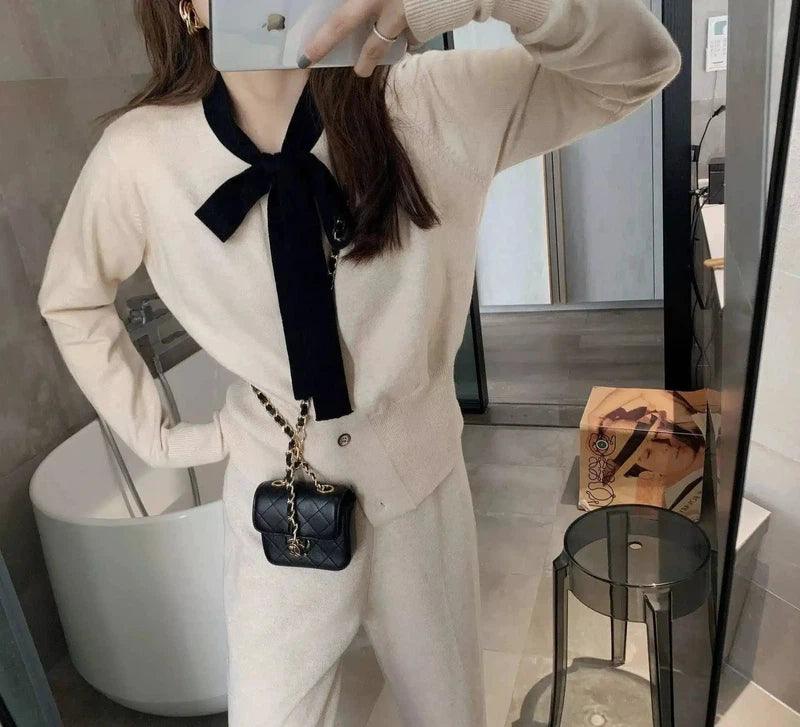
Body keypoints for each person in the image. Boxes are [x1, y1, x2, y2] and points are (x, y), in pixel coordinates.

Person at [36, 1, 681, 725]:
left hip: (422, 494)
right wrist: (164, 440)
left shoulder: (428, 102)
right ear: (185, 5)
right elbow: (72, 299)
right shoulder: (139, 157)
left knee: (451, 714)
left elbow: (642, 66)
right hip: (276, 509)